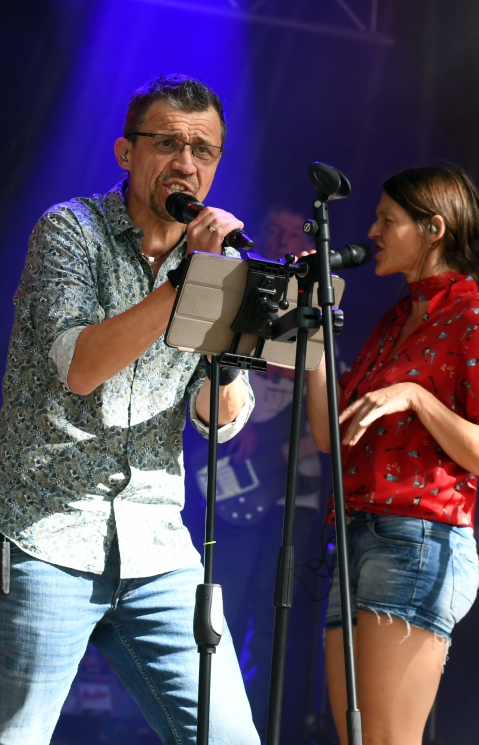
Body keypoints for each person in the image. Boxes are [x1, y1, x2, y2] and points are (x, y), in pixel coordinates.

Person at [0, 74, 260, 745]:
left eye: (203, 150)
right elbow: (82, 367)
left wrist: (231, 333)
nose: (186, 163)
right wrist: (191, 281)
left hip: (156, 544)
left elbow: (219, 418)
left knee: (229, 738)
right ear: (127, 152)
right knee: (12, 738)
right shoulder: (70, 231)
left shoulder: (215, 265)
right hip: (43, 532)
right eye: (169, 144)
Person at [305, 165, 479, 745]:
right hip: (355, 536)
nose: (373, 231)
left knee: (384, 740)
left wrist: (416, 396)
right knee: (357, 739)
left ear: (434, 228)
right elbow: (331, 435)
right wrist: (312, 334)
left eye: (388, 220)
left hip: (417, 541)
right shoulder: (395, 320)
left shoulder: (478, 324)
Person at [183, 203, 327, 735]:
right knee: (224, 611)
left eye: (292, 234)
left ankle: (272, 728)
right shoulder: (249, 294)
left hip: (295, 498)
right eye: (275, 231)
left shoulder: (314, 306)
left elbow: (325, 417)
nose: (283, 240)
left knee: (276, 625)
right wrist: (238, 424)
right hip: (238, 477)